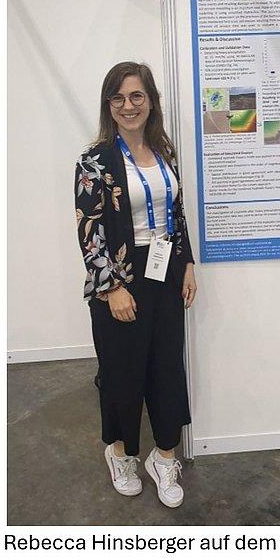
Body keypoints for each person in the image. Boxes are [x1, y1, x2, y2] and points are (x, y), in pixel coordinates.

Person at [74, 61, 196, 508]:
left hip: (165, 272)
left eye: (137, 96)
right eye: (119, 98)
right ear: (109, 104)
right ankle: (122, 453)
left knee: (166, 368)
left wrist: (187, 262)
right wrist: (110, 288)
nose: (128, 105)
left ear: (151, 100)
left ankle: (164, 457)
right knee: (123, 373)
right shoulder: (94, 160)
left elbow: (176, 213)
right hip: (121, 277)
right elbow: (89, 229)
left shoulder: (165, 151)